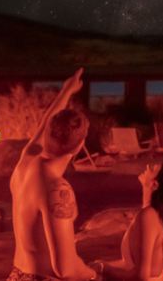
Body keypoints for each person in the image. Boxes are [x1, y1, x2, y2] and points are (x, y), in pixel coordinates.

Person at [9, 68, 101, 281]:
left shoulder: (25, 161)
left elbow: (46, 123)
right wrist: (96, 273)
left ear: (47, 134)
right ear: (79, 147)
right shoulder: (57, 189)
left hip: (16, 275)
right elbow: (65, 270)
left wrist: (67, 91)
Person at [91, 162, 163, 281]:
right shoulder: (155, 214)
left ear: (155, 184)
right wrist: (103, 264)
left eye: (153, 169)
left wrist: (106, 269)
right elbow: (134, 262)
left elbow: (141, 276)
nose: (148, 166)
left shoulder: (148, 216)